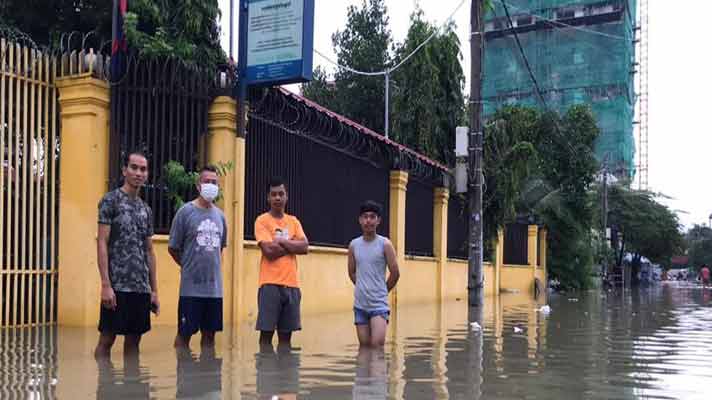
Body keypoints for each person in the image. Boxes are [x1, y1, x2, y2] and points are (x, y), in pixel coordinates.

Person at [95, 151, 159, 358]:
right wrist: (106, 285)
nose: (139, 173)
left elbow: (149, 251)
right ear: (124, 170)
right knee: (107, 340)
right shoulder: (110, 201)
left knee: (134, 342)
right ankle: (104, 385)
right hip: (117, 285)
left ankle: (133, 387)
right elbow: (102, 243)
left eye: (143, 169)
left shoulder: (146, 210)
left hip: (140, 287)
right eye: (134, 167)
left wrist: (154, 290)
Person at [168, 165, 228, 349]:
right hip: (190, 290)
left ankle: (207, 376)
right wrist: (187, 265)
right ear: (198, 185)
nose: (211, 185)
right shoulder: (185, 212)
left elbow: (220, 249)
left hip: (214, 291)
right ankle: (184, 374)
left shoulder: (221, 217)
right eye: (207, 181)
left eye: (214, 182)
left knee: (210, 338)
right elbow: (173, 248)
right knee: (184, 335)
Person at [254, 176, 309, 348]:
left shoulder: (294, 221)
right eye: (274, 194)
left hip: (292, 286)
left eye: (281, 194)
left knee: (286, 339)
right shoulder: (262, 221)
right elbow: (269, 252)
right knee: (266, 336)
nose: (277, 198)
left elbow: (305, 247)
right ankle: (266, 372)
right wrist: (293, 244)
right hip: (269, 285)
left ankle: (284, 374)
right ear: (268, 198)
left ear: (286, 197)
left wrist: (282, 242)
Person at [348, 200, 400, 347]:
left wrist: (383, 290)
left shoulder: (385, 244)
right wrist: (362, 287)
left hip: (379, 305)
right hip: (360, 305)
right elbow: (351, 272)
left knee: (377, 348)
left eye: (372, 217)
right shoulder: (354, 245)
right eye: (365, 216)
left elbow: (395, 273)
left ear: (378, 220)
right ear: (360, 220)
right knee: (364, 349)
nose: (368, 220)